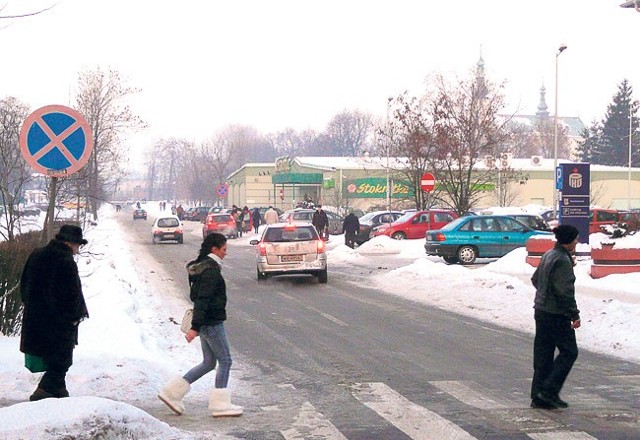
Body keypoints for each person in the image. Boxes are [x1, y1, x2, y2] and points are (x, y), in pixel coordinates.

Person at [158, 233, 242, 417]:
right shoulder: (210, 271)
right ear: (214, 249)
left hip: (206, 321)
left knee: (209, 362)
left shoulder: (202, 267)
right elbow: (203, 300)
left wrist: (197, 325)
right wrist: (194, 328)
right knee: (225, 360)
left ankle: (172, 393)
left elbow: (198, 298)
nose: (225, 253)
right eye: (224, 249)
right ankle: (220, 405)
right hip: (211, 322)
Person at [20, 224, 89, 401]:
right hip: (59, 322)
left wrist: (33, 307)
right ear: (69, 243)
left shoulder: (37, 254)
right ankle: (43, 391)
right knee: (61, 360)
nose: (77, 250)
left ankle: (59, 391)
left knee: (54, 359)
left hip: (35, 318)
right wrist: (74, 318)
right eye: (77, 246)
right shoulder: (65, 261)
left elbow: (24, 286)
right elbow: (71, 294)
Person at [530, 224, 581, 410]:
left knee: (543, 354)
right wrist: (574, 314)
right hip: (556, 314)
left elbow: (536, 280)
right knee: (569, 352)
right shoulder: (562, 260)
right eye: (575, 238)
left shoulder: (549, 254)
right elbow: (565, 292)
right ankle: (549, 391)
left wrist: (544, 294)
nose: (577, 241)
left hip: (541, 311)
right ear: (568, 241)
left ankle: (538, 395)